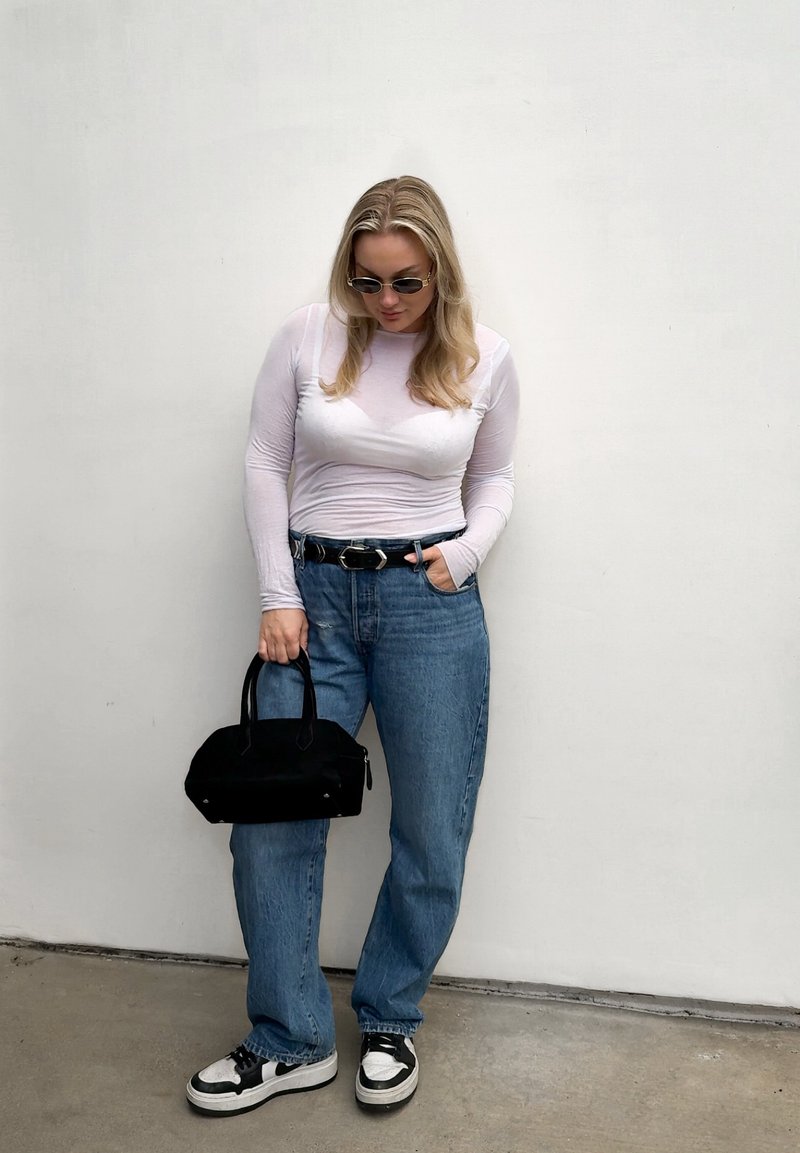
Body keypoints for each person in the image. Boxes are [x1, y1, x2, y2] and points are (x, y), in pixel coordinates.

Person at [186, 175, 520, 1116]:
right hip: (312, 602)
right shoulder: (306, 334)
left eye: (406, 283)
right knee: (275, 817)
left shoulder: (486, 356)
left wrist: (463, 554)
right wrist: (277, 592)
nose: (385, 303)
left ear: (439, 273)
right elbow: (264, 459)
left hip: (430, 606)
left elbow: (495, 479)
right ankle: (289, 1037)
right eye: (367, 281)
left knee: (432, 825)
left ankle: (388, 1014)